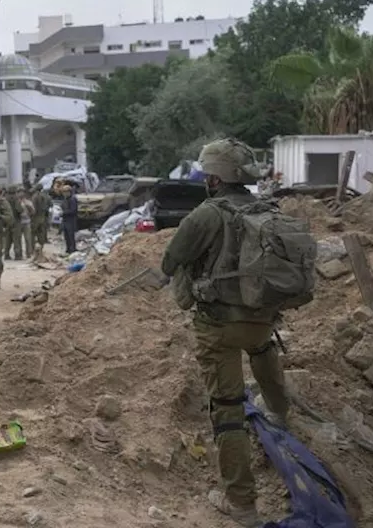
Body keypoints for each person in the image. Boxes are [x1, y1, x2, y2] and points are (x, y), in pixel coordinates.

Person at [159, 138, 291, 528]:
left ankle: (242, 505)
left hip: (219, 326)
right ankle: (280, 414)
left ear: (214, 179)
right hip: (262, 318)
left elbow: (170, 261)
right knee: (264, 348)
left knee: (228, 409)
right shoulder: (266, 207)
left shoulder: (205, 215)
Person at [4, 186, 25, 261]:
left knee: (8, 239)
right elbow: (19, 209)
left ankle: (6, 255)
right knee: (17, 239)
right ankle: (18, 255)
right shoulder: (16, 198)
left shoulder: (5, 198)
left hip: (7, 221)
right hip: (16, 221)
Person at [30, 185, 51, 253]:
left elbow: (33, 208)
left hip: (35, 217)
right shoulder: (46, 196)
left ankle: (32, 249)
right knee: (41, 234)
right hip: (43, 217)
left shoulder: (34, 196)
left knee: (32, 234)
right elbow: (50, 205)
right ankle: (41, 248)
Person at [60, 184, 79, 254]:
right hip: (65, 220)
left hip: (71, 220)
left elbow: (73, 210)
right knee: (66, 236)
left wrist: (64, 213)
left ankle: (72, 250)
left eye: (65, 192)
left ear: (69, 192)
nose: (64, 194)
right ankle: (68, 249)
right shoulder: (65, 199)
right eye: (63, 192)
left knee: (71, 236)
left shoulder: (73, 199)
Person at [17, 188, 35, 258]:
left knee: (28, 239)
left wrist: (29, 208)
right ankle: (19, 254)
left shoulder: (28, 202)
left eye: (22, 192)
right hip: (18, 222)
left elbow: (33, 212)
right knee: (18, 239)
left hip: (27, 221)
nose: (21, 194)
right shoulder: (16, 202)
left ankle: (28, 253)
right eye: (19, 192)